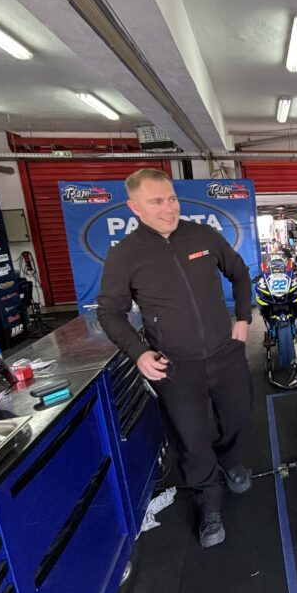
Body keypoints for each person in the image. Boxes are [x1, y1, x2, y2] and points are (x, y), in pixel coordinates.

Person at [97, 169, 254, 549]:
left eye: (171, 198)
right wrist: (138, 353)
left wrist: (243, 318)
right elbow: (110, 312)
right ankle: (209, 503)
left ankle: (230, 459)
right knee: (191, 437)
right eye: (157, 201)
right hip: (176, 365)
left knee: (239, 418)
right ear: (135, 207)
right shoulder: (124, 255)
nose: (169, 208)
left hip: (224, 352)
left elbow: (239, 273)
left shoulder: (202, 236)